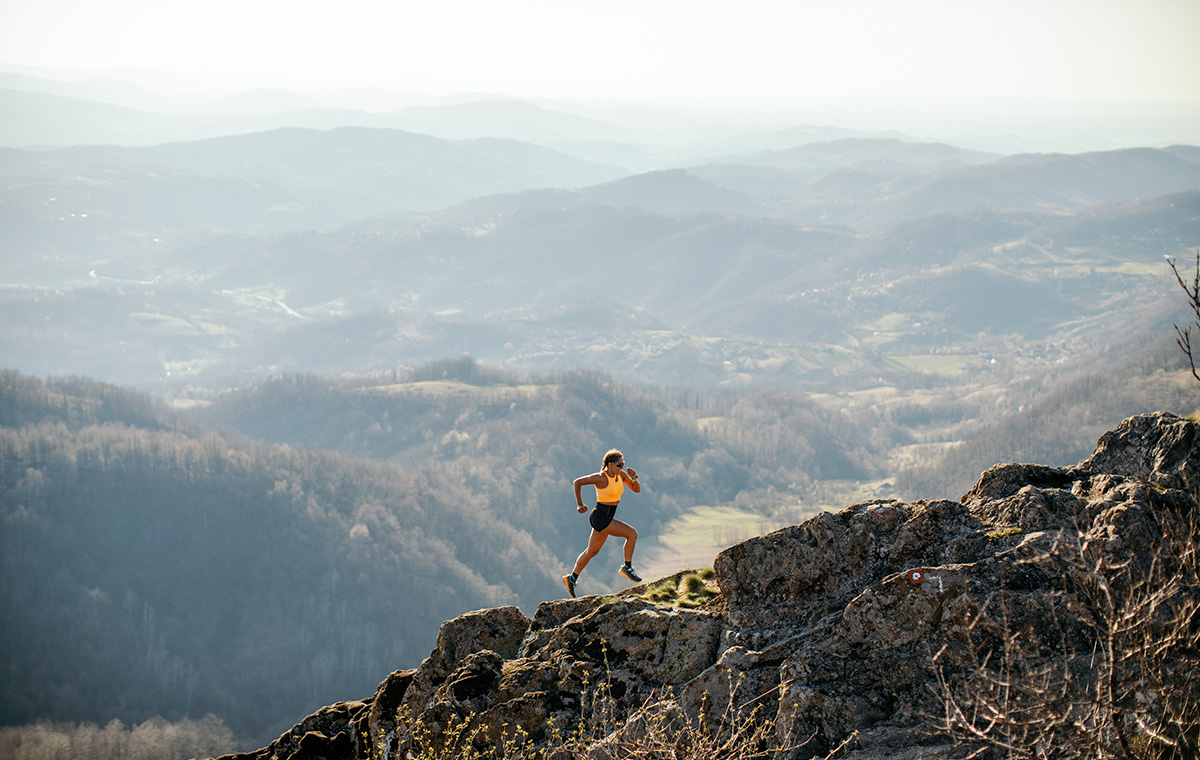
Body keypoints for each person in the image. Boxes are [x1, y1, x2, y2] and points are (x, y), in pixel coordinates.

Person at [563, 449, 642, 598]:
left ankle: (571, 578)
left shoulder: (621, 475)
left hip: (607, 517)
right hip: (600, 516)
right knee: (632, 534)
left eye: (623, 464)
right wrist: (579, 504)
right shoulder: (601, 478)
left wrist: (634, 478)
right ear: (610, 464)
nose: (622, 467)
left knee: (591, 552)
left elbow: (636, 490)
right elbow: (577, 482)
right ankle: (627, 568)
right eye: (619, 464)